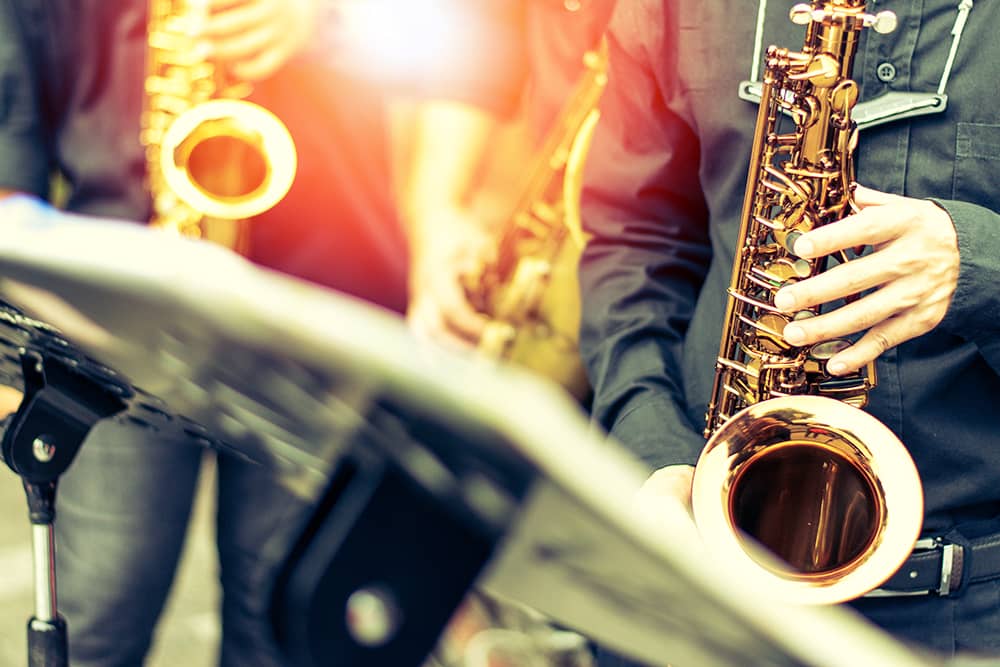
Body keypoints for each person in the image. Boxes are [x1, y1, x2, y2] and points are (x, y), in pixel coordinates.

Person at [578, 0, 999, 662]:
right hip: (701, 578)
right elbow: (635, 243)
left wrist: (979, 266)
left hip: (971, 612)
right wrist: (652, 451)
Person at [0, 0, 407, 664]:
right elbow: (7, 128)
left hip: (319, 297)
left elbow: (461, 48)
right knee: (101, 611)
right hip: (116, 310)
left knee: (279, 627)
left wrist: (328, 18)